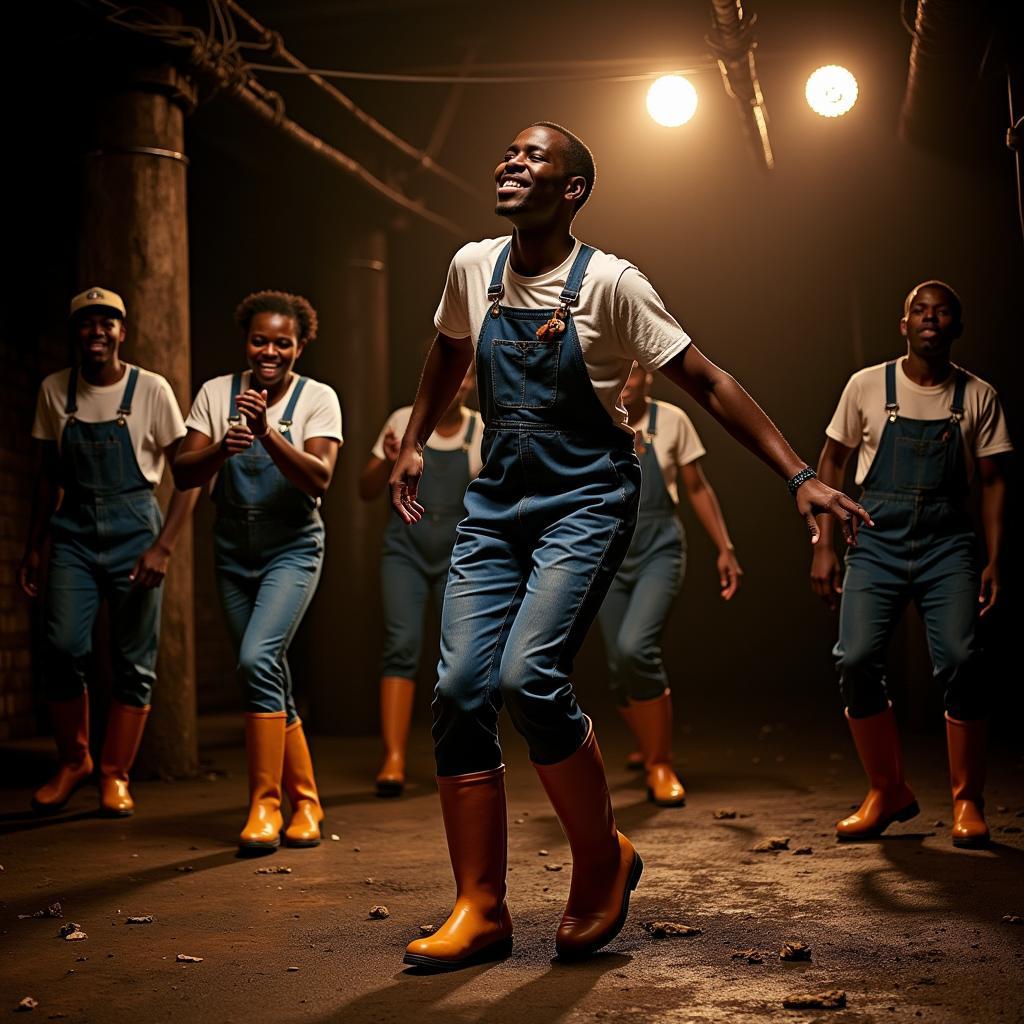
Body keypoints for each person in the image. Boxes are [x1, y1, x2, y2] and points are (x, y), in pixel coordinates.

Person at [390, 122, 869, 970]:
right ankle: (481, 905)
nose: (510, 160)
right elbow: (450, 348)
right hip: (498, 502)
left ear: (572, 189)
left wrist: (800, 476)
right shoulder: (474, 268)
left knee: (527, 678)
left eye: (533, 156)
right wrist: (414, 437)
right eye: (508, 151)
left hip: (585, 497)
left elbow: (709, 379)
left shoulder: (613, 285)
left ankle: (602, 856)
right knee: (461, 688)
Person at [811, 280, 1011, 848]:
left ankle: (967, 798)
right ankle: (887, 789)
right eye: (919, 312)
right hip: (875, 541)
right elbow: (833, 460)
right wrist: (824, 544)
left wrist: (996, 559)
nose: (930, 319)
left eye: (942, 312)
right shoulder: (868, 386)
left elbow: (995, 483)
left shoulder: (977, 396)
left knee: (963, 658)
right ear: (904, 325)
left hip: (949, 544)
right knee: (855, 658)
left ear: (956, 326)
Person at [174, 291, 342, 853]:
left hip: (292, 546)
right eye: (260, 340)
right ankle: (308, 804)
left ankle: (265, 805)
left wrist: (269, 432)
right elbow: (182, 472)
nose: (270, 351)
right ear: (246, 341)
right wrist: (223, 448)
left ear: (300, 346)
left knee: (256, 658)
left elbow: (319, 480)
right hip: (231, 547)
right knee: (264, 671)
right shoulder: (215, 393)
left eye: (283, 343)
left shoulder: (317, 398)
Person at [20, 286, 195, 817]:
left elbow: (188, 477)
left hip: (136, 525)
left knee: (133, 661)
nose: (97, 331)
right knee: (62, 646)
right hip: (71, 528)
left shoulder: (151, 389)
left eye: (107, 322)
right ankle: (75, 760)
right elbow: (47, 476)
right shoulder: (55, 390)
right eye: (86, 323)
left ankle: (115, 775)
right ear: (75, 333)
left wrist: (163, 547)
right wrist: (34, 548)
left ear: (122, 331)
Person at [600, 363, 742, 807]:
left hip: (659, 546)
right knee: (616, 664)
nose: (626, 382)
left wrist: (725, 547)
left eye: (633, 373)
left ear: (646, 377)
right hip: (604, 549)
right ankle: (647, 740)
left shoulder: (671, 421)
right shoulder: (590, 417)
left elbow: (697, 487)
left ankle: (660, 762)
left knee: (634, 648)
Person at [359, 368, 482, 797]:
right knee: (401, 644)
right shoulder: (402, 421)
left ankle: (464, 754)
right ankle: (393, 758)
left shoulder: (480, 430)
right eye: (454, 376)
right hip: (405, 551)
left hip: (458, 554)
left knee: (459, 653)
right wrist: (390, 460)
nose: (460, 384)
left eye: (467, 378)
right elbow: (365, 488)